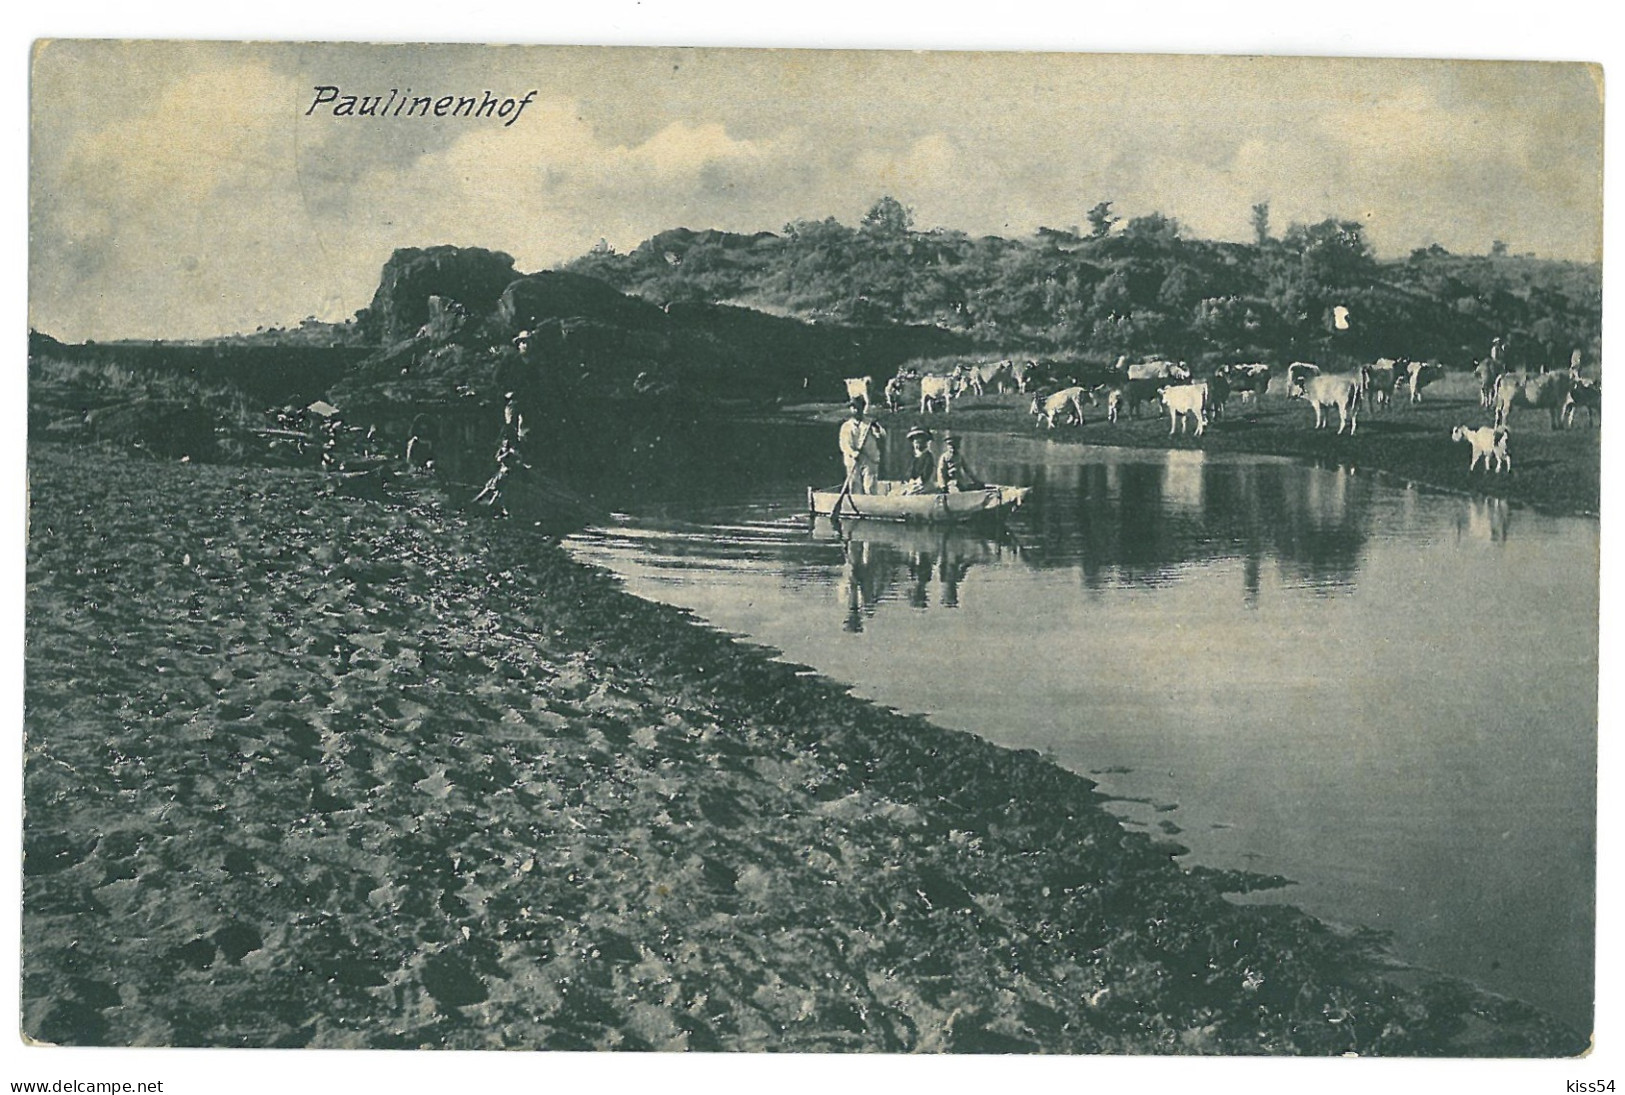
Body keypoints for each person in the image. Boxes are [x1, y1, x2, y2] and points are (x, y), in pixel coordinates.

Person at [837, 397, 884, 494]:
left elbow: (882, 436)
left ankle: (871, 506)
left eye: (858, 408)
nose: (856, 410)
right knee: (854, 485)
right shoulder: (846, 426)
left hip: (870, 458)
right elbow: (844, 444)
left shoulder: (870, 424)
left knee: (870, 486)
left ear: (863, 408)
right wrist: (853, 453)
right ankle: (856, 505)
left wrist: (877, 429)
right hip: (853, 460)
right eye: (853, 408)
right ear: (850, 409)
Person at [901, 427, 937, 495]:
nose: (917, 445)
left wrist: (920, 480)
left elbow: (927, 471)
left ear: (925, 443)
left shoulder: (928, 456)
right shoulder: (914, 457)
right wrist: (910, 479)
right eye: (915, 443)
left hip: (924, 483)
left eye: (920, 443)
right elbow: (910, 470)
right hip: (914, 483)